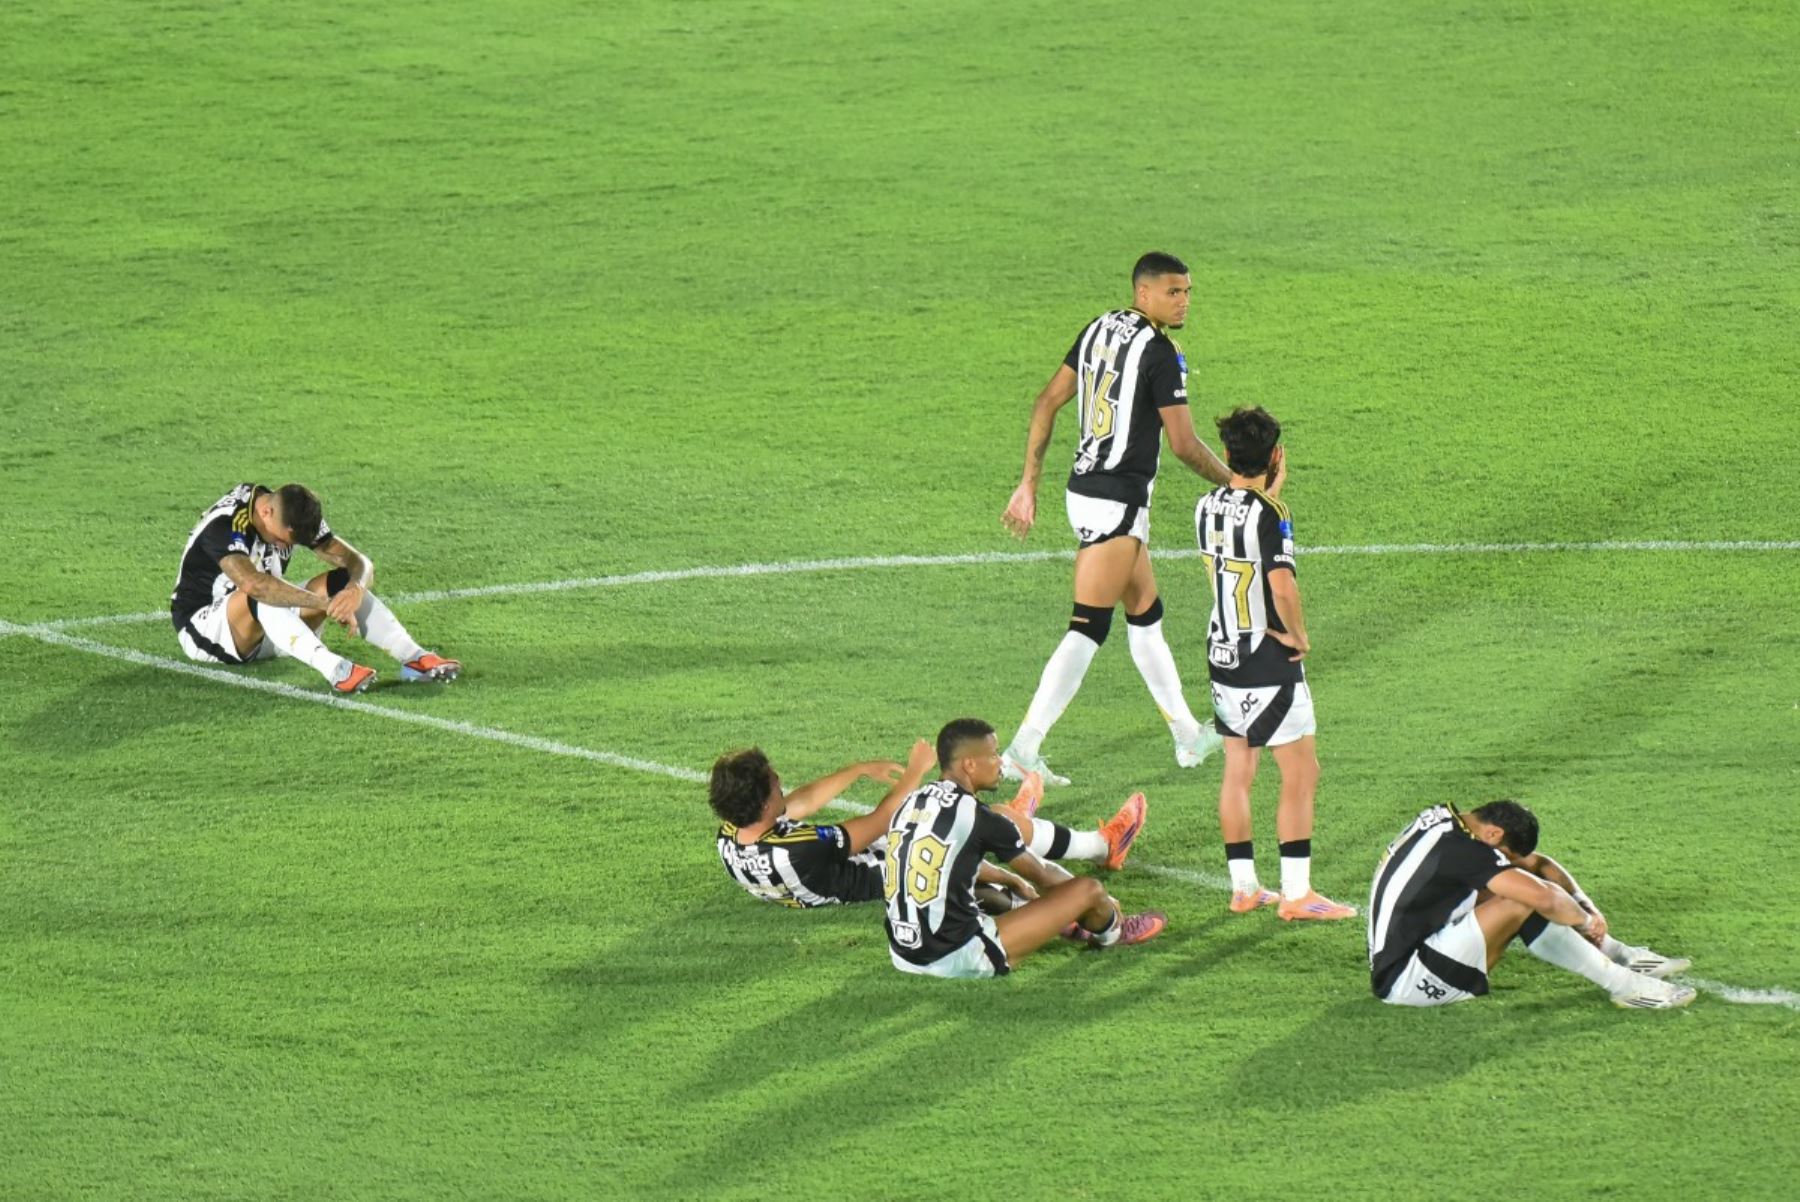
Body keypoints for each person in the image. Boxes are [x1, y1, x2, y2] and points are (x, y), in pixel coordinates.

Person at [999, 252, 1238, 786]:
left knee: (1146, 611)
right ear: (1143, 293)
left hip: (1088, 491)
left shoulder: (1099, 327)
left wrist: (1029, 483)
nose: (1184, 301)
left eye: (1188, 292)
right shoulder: (1158, 353)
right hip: (1116, 501)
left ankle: (1186, 736)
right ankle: (1022, 747)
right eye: (1173, 292)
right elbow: (1182, 443)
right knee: (1087, 628)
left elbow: (1045, 402)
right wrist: (1234, 483)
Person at [1196, 407, 1353, 921]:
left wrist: (1268, 496)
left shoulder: (1204, 506)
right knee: (1301, 771)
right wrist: (1300, 634)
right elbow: (1281, 586)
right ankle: (1297, 894)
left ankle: (1244, 887)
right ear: (1277, 455)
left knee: (1238, 770)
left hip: (1223, 653)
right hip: (1268, 661)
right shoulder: (1272, 514)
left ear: (1226, 454)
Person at [883, 718, 1166, 980]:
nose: (1000, 763)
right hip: (954, 957)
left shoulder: (911, 801)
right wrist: (1103, 901)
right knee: (1087, 890)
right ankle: (1113, 931)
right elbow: (1043, 876)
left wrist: (1010, 879)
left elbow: (947, 861)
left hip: (903, 952)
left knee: (986, 892)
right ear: (969, 765)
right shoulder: (981, 818)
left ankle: (1054, 916)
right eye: (993, 755)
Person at [710, 743, 1149, 910]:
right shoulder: (799, 849)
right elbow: (880, 821)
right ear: (765, 801)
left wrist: (861, 767)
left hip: (856, 867)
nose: (782, 781)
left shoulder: (733, 835)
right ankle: (1101, 846)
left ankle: (1020, 822)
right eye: (774, 782)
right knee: (978, 821)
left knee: (987, 823)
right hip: (887, 871)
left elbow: (800, 802)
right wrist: (915, 770)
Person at [1366, 801, 1695, 1009]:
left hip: (1417, 947)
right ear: (1494, 833)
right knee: (1521, 900)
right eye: (1503, 854)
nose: (1502, 860)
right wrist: (1585, 922)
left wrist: (1588, 908)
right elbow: (1545, 897)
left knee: (1526, 882)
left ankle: (1618, 954)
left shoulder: (1451, 823)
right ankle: (1625, 986)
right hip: (1407, 981)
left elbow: (1540, 865)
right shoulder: (1465, 850)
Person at [169, 482, 459, 693]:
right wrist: (324, 606)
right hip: (206, 631)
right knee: (262, 592)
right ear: (266, 512)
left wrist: (353, 590)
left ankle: (414, 657)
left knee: (340, 582)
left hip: (271, 626)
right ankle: (336, 669)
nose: (284, 547)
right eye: (283, 540)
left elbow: (360, 563)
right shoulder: (226, 525)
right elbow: (253, 584)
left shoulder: (291, 514)